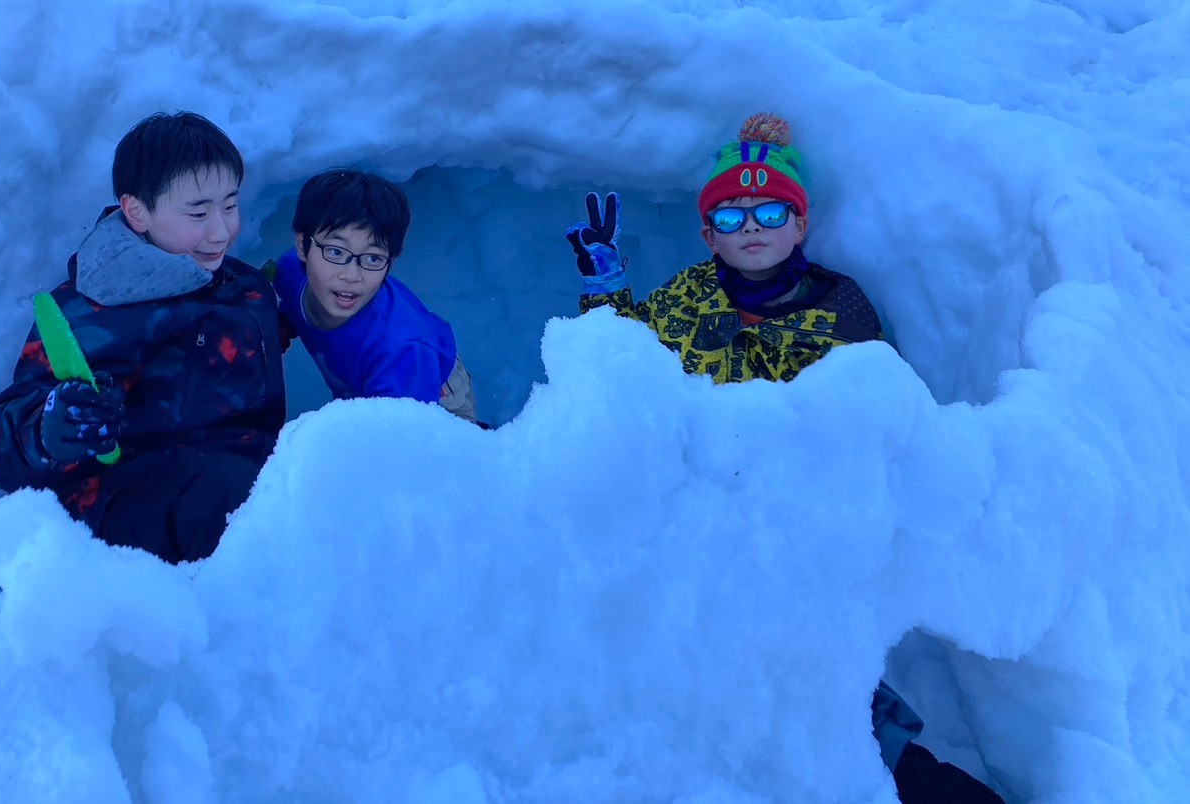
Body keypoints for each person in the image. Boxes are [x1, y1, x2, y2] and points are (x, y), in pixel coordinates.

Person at [565, 113, 1005, 804]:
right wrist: (605, 289)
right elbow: (626, 370)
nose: (751, 227)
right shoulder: (686, 296)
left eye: (769, 210)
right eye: (730, 216)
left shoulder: (839, 306)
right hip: (688, 515)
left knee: (813, 685)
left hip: (792, 528)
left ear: (799, 224)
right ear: (708, 234)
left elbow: (877, 415)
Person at [0, 111, 286, 564]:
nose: (221, 230)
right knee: (232, 494)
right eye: (198, 212)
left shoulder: (237, 283)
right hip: (135, 509)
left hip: (240, 483)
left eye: (230, 205)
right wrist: (51, 428)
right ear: (137, 211)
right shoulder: (102, 305)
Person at [270, 169, 477, 423]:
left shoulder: (399, 352)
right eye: (335, 252)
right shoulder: (289, 272)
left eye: (372, 258)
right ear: (303, 246)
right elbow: (293, 305)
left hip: (431, 391)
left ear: (391, 262)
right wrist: (282, 324)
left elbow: (404, 433)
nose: (351, 275)